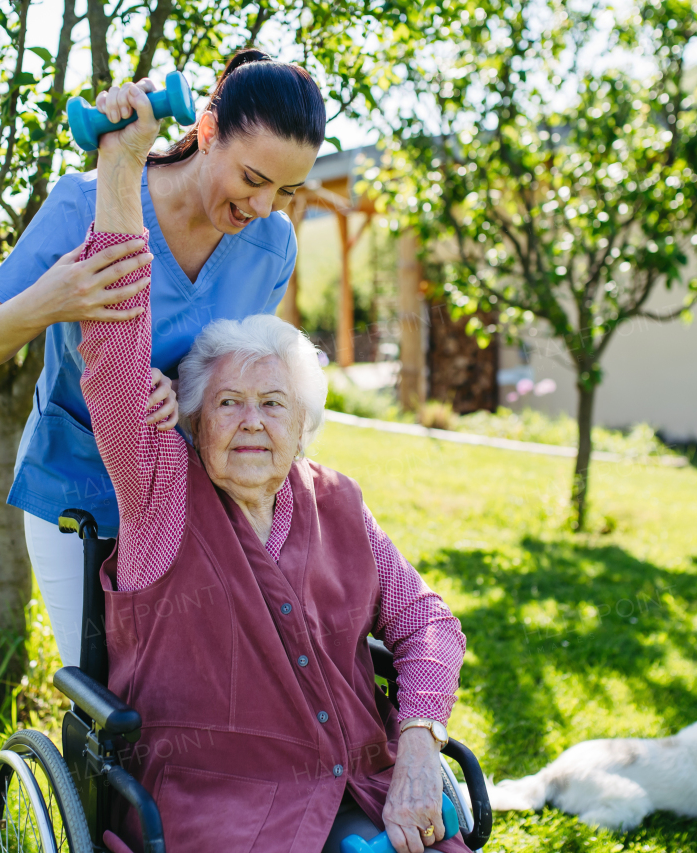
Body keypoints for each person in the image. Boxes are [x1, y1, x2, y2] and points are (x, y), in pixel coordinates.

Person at [72, 100, 470, 853]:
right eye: (228, 402)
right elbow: (116, 357)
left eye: (273, 403)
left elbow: (428, 622)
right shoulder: (161, 493)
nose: (252, 421)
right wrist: (120, 169)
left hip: (356, 788)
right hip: (218, 811)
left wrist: (418, 739)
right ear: (192, 420)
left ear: (302, 425)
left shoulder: (338, 502)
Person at [0, 48, 325, 668]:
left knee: (183, 679)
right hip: (74, 487)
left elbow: (233, 368)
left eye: (286, 190)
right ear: (206, 133)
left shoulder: (271, 244)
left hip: (181, 493)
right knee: (104, 685)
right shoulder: (84, 204)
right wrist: (51, 301)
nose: (263, 208)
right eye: (254, 180)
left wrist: (188, 399)